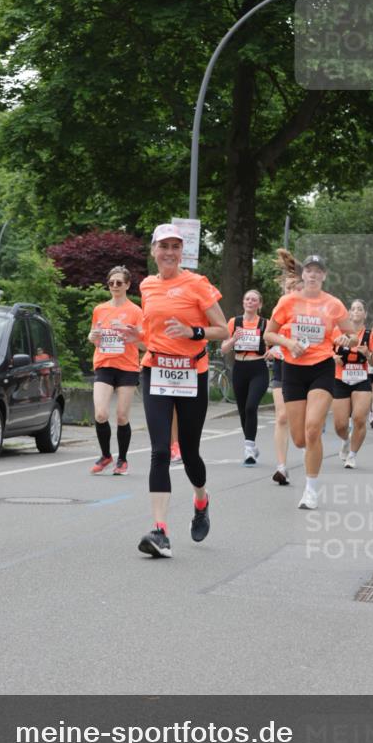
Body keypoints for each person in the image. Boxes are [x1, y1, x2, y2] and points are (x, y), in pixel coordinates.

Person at [135, 224, 228, 557]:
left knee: (190, 454)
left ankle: (201, 499)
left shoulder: (197, 284)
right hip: (156, 370)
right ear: (154, 251)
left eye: (175, 246)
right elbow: (151, 332)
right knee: (160, 450)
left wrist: (193, 332)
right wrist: (137, 339)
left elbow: (222, 329)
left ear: (182, 252)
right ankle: (160, 531)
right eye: (164, 246)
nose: (169, 252)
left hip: (191, 373)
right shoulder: (147, 286)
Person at [265, 254, 357, 510]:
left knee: (313, 428)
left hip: (321, 368)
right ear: (303, 275)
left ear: (324, 276)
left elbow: (353, 336)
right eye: (309, 270)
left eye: (318, 271)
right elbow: (269, 334)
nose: (313, 275)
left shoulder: (333, 304)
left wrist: (347, 340)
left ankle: (311, 490)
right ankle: (312, 452)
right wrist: (288, 342)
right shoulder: (288, 301)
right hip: (293, 370)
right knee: (299, 439)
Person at [87, 265, 143, 475]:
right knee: (101, 413)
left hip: (127, 367)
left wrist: (132, 337)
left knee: (121, 416)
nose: (115, 286)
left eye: (119, 282)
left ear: (127, 285)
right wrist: (92, 337)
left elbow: (145, 344)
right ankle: (106, 456)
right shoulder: (100, 309)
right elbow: (95, 337)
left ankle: (122, 460)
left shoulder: (136, 311)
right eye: (111, 282)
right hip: (104, 364)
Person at [267, 249, 304, 484]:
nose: (290, 291)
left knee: (303, 423)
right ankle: (281, 467)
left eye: (294, 287)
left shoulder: (313, 308)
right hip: (282, 364)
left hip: (307, 367)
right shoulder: (280, 308)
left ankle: (310, 451)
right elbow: (269, 335)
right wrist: (275, 346)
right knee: (281, 416)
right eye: (287, 287)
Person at [221, 288, 269, 466]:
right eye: (247, 299)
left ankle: (248, 449)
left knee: (250, 407)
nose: (250, 302)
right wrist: (233, 339)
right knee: (243, 411)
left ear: (259, 304)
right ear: (243, 302)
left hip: (258, 368)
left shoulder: (265, 323)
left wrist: (272, 351)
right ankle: (252, 444)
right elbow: (224, 349)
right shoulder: (234, 322)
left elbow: (274, 343)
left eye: (254, 300)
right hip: (240, 368)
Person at [332, 300, 373, 469]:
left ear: (365, 314)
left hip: (361, 379)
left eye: (360, 309)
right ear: (349, 313)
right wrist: (333, 357)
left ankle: (352, 455)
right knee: (340, 425)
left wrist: (368, 354)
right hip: (340, 379)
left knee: (359, 419)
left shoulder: (370, 335)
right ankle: (346, 440)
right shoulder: (338, 331)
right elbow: (325, 351)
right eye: (353, 309)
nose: (356, 311)